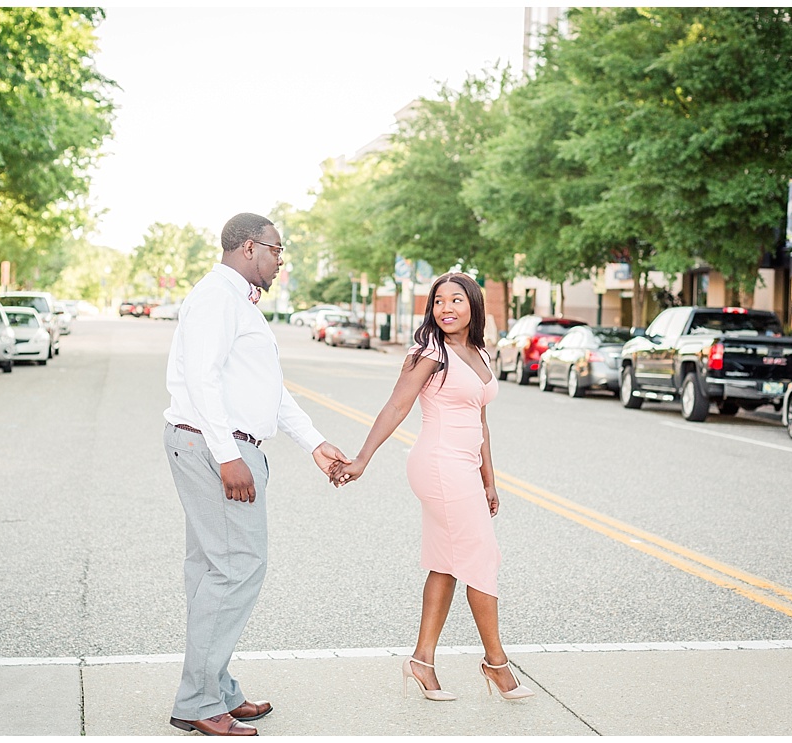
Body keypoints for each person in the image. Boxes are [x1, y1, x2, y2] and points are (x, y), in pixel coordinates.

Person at [163, 212, 353, 736]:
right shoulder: (215, 298)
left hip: (217, 443)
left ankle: (216, 690)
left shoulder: (236, 301)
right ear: (250, 248)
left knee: (212, 572)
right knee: (237, 568)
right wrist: (228, 458)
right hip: (213, 446)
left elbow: (268, 389)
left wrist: (313, 443)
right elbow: (201, 381)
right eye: (276, 250)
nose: (279, 260)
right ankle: (199, 702)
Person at [333, 272, 534, 703]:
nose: (446, 308)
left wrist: (489, 480)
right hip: (439, 464)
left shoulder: (478, 351)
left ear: (473, 306)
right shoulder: (430, 351)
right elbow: (398, 404)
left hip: (464, 465)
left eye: (456, 300)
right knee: (482, 556)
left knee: (446, 563)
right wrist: (363, 458)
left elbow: (480, 421)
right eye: (439, 301)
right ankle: (496, 663)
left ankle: (422, 661)